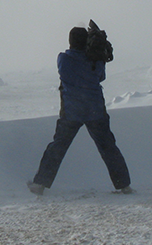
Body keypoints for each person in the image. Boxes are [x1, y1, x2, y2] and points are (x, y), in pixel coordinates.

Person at [27, 26, 132, 195]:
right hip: (95, 109)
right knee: (108, 147)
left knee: (58, 147)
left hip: (72, 111)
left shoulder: (64, 59)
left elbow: (64, 72)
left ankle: (40, 184)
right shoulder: (95, 60)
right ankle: (124, 186)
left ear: (71, 42)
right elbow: (100, 77)